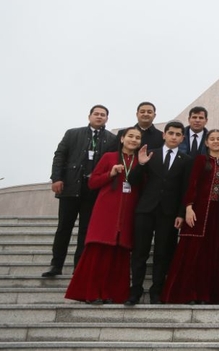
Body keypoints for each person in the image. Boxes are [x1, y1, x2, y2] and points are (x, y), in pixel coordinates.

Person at [64, 126, 145, 304]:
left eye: (137, 138)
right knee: (99, 253)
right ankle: (91, 293)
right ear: (122, 139)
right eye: (130, 136)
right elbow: (93, 182)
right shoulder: (109, 157)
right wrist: (110, 173)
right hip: (106, 212)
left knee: (119, 255)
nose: (134, 140)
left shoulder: (140, 161)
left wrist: (144, 164)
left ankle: (111, 294)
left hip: (127, 214)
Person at [126, 121, 193, 306]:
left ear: (182, 138)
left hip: (169, 213)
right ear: (164, 134)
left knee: (163, 254)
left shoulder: (186, 159)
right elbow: (133, 181)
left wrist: (180, 213)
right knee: (140, 252)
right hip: (146, 210)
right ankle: (135, 291)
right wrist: (140, 164)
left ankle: (157, 291)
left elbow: (185, 189)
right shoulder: (150, 153)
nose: (173, 137)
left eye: (177, 134)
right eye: (170, 133)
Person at [45, 104, 117, 277]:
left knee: (86, 230)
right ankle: (56, 265)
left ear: (107, 118)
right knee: (64, 227)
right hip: (71, 186)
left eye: (103, 115)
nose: (99, 117)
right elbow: (60, 155)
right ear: (89, 116)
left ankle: (80, 267)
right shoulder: (73, 133)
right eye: (96, 114)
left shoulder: (111, 139)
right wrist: (56, 178)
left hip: (93, 190)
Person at [161, 129, 219, 304]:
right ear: (206, 143)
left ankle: (205, 295)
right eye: (212, 139)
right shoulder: (201, 160)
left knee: (211, 255)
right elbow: (191, 184)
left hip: (217, 215)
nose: (216, 142)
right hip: (198, 212)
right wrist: (188, 207)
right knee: (193, 253)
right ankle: (187, 294)